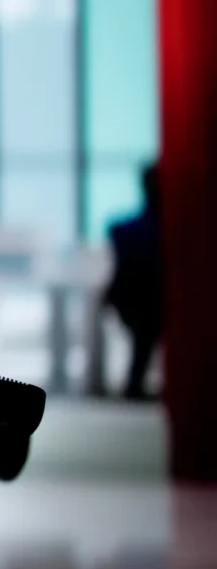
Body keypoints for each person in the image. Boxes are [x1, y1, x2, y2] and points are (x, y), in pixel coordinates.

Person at [106, 164, 163, 400]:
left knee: (142, 344)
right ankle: (135, 385)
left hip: (136, 300)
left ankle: (135, 385)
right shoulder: (153, 230)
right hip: (146, 301)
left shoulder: (128, 230)